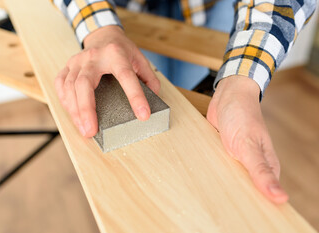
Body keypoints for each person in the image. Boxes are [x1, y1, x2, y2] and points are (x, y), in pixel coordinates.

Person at [52, 0, 316, 204]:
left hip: (212, 8)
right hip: (121, 9)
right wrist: (101, 33)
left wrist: (239, 85)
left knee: (177, 126)